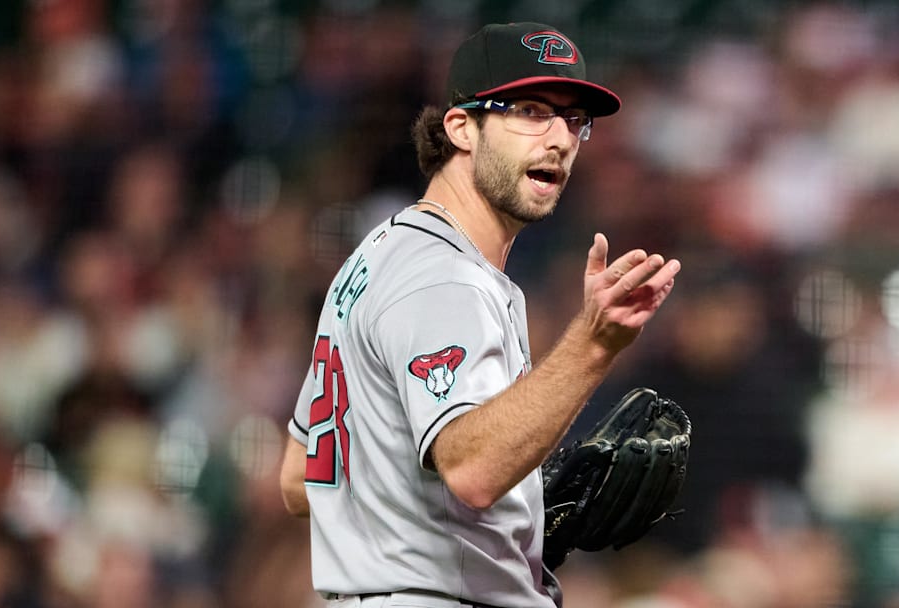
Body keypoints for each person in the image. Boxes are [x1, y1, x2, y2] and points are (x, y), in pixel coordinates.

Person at [279, 22, 680, 608]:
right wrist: (595, 345)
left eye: (573, 120)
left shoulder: (376, 256)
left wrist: (518, 508)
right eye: (530, 110)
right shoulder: (443, 276)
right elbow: (472, 472)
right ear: (462, 128)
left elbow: (299, 478)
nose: (560, 138)